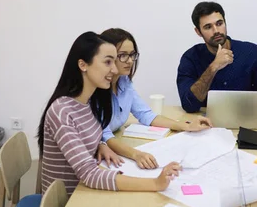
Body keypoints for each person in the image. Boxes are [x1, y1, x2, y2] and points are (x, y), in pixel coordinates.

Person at [38, 32, 181, 196]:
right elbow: (90, 175)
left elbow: (83, 135)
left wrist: (101, 144)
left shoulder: (87, 102)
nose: (114, 69)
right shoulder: (62, 111)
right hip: (69, 203)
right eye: (108, 62)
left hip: (86, 191)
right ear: (83, 65)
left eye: (114, 61)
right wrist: (156, 183)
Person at [95, 28, 213, 168]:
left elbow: (146, 115)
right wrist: (136, 154)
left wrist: (186, 126)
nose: (130, 61)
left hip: (117, 142)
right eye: (123, 55)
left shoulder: (124, 82)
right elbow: (105, 135)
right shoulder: (96, 88)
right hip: (100, 153)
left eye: (132, 55)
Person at [177, 1, 257, 113]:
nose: (216, 31)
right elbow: (189, 105)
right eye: (208, 27)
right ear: (198, 32)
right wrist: (213, 67)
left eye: (219, 23)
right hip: (207, 124)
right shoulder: (190, 58)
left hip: (246, 121)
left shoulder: (250, 52)